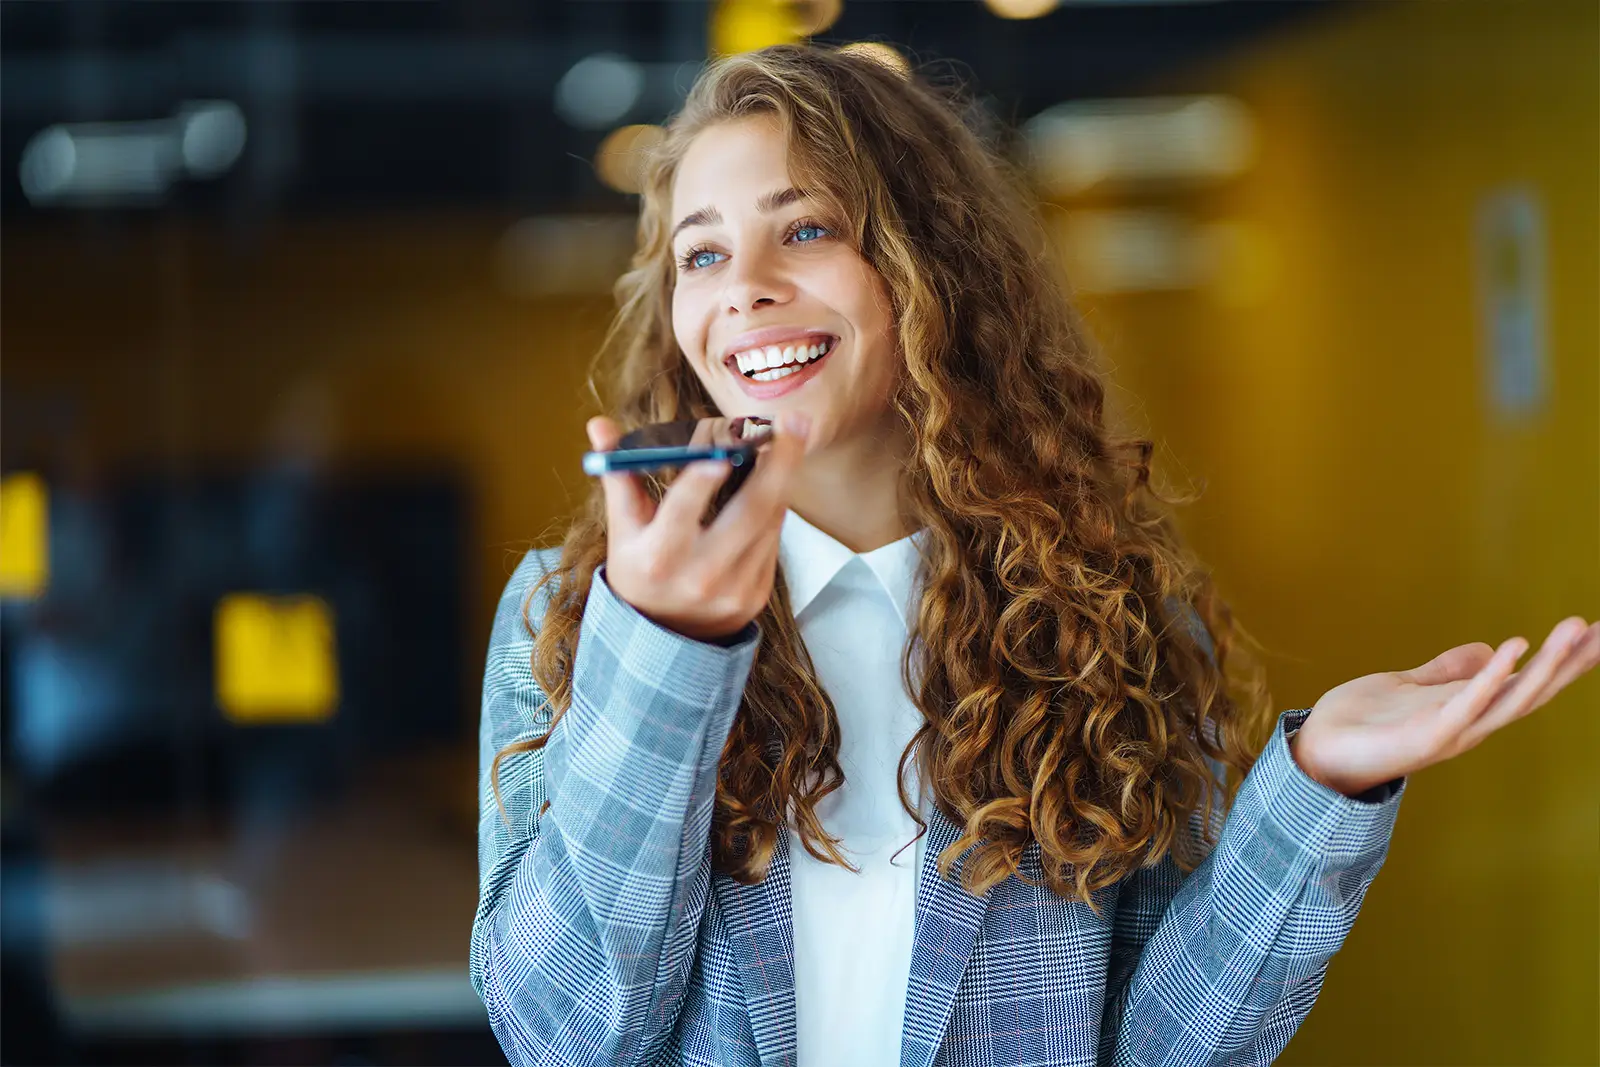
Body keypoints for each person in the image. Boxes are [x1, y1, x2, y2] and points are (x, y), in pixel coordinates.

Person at [469, 44, 1598, 1067]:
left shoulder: (1108, 613)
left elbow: (1164, 1048)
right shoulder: (569, 617)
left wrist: (1317, 787)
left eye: (804, 228)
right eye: (700, 252)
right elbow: (561, 1037)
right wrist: (668, 653)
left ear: (931, 266)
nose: (745, 286)